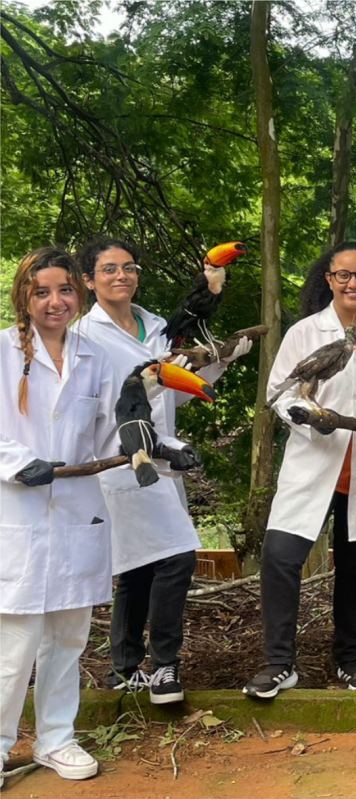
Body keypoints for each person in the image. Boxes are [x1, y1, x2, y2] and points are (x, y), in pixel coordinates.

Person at [243, 241, 356, 698]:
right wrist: (308, 419)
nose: (353, 283)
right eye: (343, 275)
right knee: (281, 559)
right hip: (313, 465)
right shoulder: (305, 333)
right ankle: (279, 663)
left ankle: (349, 659)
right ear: (328, 280)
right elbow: (279, 392)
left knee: (355, 569)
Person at [74, 237, 252, 705]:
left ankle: (124, 668)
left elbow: (167, 392)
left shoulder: (154, 326)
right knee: (176, 556)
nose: (121, 276)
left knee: (139, 567)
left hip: (164, 456)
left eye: (129, 268)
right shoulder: (83, 338)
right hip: (120, 460)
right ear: (89, 281)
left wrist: (217, 364)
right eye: (109, 269)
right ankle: (164, 667)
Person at [1, 248, 117, 786]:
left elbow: (114, 430)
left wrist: (159, 445)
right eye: (42, 291)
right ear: (24, 295)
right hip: (18, 509)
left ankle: (56, 739)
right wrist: (20, 464)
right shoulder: (2, 350)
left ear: (80, 293)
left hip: (77, 511)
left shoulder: (95, 356)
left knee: (68, 636)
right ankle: (1, 745)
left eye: (64, 290)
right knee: (15, 643)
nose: (55, 302)